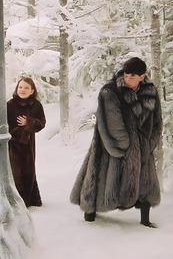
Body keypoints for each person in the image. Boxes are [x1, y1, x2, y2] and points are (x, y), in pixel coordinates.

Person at [69, 57, 163, 227]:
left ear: (142, 77)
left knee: (145, 185)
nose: (127, 79)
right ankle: (89, 214)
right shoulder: (110, 92)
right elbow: (112, 123)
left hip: (142, 149)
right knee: (102, 178)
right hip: (111, 146)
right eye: (126, 75)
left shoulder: (150, 92)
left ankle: (145, 219)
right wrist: (124, 147)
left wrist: (150, 143)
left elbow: (157, 121)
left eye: (132, 77)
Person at [6, 77, 46, 207]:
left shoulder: (36, 105)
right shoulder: (10, 104)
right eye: (20, 87)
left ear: (32, 91)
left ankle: (32, 199)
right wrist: (19, 131)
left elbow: (41, 123)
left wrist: (28, 122)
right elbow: (6, 125)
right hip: (13, 144)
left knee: (29, 169)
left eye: (26, 88)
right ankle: (19, 202)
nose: (22, 90)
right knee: (16, 171)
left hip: (29, 144)